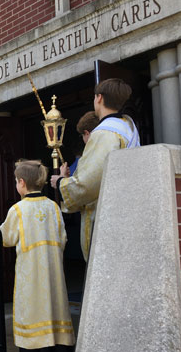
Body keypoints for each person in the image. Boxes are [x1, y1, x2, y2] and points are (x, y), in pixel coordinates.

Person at [51, 78, 140, 261]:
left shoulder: (104, 134)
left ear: (98, 98)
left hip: (105, 218)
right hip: (125, 210)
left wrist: (61, 182)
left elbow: (89, 183)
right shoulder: (127, 127)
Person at [0, 160, 75, 352]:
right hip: (52, 271)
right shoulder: (53, 207)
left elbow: (7, 237)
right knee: (55, 305)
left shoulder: (18, 209)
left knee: (33, 307)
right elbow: (63, 238)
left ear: (22, 183)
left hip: (31, 272)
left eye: (16, 181)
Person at [69, 111, 100, 175]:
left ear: (86, 133)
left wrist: (62, 179)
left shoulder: (88, 160)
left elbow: (80, 182)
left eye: (82, 135)